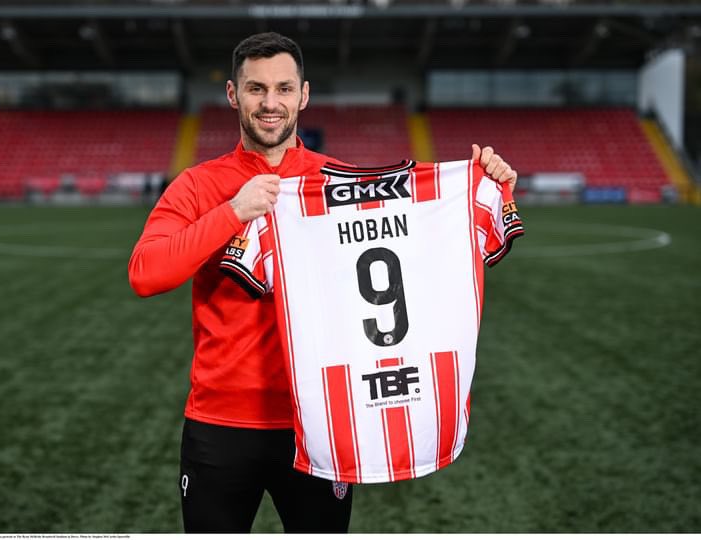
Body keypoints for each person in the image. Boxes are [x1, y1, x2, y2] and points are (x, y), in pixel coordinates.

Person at [128, 32, 518, 533]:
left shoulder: (339, 182)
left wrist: (485, 186)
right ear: (232, 94)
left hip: (320, 421)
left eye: (284, 89)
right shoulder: (198, 185)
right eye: (256, 89)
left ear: (304, 95)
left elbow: (425, 248)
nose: (271, 103)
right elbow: (146, 273)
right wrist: (234, 211)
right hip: (220, 424)